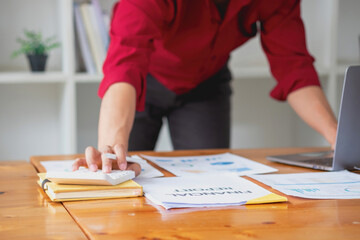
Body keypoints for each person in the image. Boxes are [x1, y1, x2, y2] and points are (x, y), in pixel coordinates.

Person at [73, 0, 338, 175]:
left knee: (211, 187)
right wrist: (110, 148)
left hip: (205, 83)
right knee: (123, 174)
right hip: (141, 84)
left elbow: (294, 67)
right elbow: (124, 68)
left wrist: (337, 135)